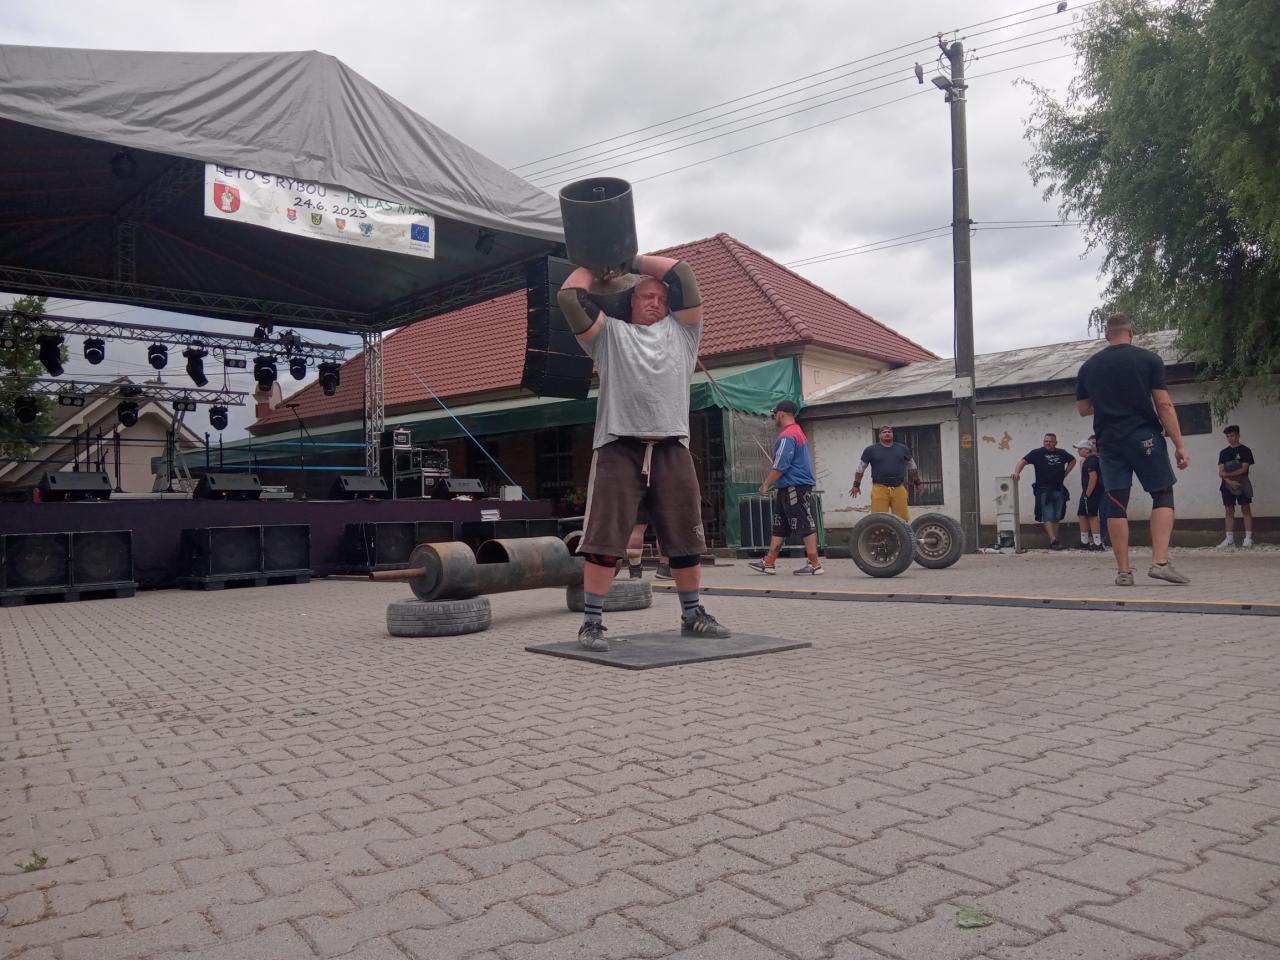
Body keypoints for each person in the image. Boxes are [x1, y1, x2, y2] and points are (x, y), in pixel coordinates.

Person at [558, 252, 730, 651]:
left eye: (662, 299)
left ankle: (692, 615)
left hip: (672, 446)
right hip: (619, 446)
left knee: (686, 538)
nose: (656, 303)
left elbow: (683, 274)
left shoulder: (684, 333)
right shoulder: (608, 335)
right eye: (647, 296)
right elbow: (570, 297)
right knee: (604, 540)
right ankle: (591, 624)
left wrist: (628, 259)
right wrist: (598, 263)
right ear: (630, 300)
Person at [1076, 313, 1190, 586]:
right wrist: (1179, 445)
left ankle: (1124, 572)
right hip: (1143, 436)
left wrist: (1108, 402)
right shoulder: (1149, 359)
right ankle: (1160, 563)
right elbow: (1163, 405)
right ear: (1131, 332)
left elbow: (1083, 409)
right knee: (1162, 492)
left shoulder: (1088, 367)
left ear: (1107, 335)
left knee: (1116, 501)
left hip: (1109, 441)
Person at [749, 399, 823, 575]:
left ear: (781, 414)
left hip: (795, 486)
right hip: (787, 486)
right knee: (779, 525)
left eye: (775, 414)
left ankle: (814, 563)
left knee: (805, 522)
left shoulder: (787, 436)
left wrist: (766, 484)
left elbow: (781, 465)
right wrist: (779, 485)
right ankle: (769, 562)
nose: (774, 417)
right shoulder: (798, 432)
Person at [1013, 433, 1077, 549]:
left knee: (1056, 516)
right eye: (1046, 441)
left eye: (1050, 441)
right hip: (1044, 490)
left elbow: (1073, 460)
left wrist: (1065, 473)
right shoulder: (1037, 453)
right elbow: (1022, 461)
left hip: (1058, 489)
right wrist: (1017, 472)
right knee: (1047, 515)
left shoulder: (1062, 453)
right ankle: (1053, 540)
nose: (1048, 443)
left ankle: (1054, 541)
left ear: (1055, 442)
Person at [850, 425, 920, 521]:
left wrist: (917, 482)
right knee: (879, 519)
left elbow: (913, 467)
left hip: (899, 488)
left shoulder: (902, 449)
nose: (887, 433)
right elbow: (860, 469)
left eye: (889, 432)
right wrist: (856, 485)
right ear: (879, 435)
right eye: (884, 432)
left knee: (902, 520)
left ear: (892, 434)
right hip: (879, 489)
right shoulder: (870, 450)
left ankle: (902, 531)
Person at [1217, 424, 1255, 548]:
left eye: (1232, 435)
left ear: (1238, 435)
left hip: (1243, 483)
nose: (1230, 438)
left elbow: (1244, 469)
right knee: (1229, 511)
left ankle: (1248, 538)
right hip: (1227, 485)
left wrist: (1228, 475)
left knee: (1246, 509)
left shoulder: (1245, 450)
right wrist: (1229, 481)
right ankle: (1229, 540)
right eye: (1227, 436)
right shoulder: (1223, 452)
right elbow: (1221, 472)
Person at [1074, 440, 1104, 550]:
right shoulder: (1090, 460)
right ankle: (1084, 541)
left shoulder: (1091, 461)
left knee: (1092, 515)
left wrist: (1088, 494)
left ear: (1087, 450)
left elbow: (1093, 478)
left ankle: (1097, 543)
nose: (1078, 451)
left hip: (1091, 492)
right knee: (1082, 514)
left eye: (1080, 449)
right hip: (1087, 492)